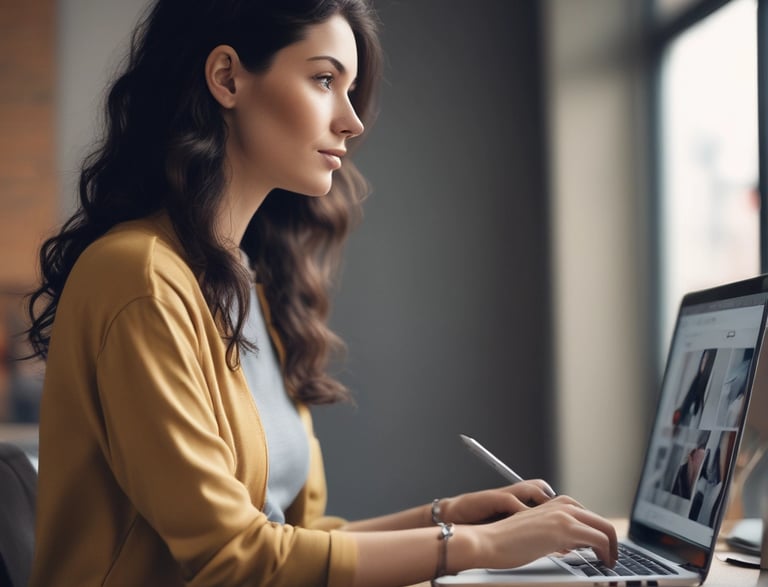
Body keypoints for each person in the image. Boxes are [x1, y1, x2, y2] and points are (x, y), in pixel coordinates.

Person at [24, 1, 617, 585]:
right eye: (325, 79)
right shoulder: (140, 277)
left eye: (350, 88)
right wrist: (475, 546)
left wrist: (446, 517)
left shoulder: (242, 285)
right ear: (227, 77)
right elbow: (236, 559)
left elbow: (296, 541)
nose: (352, 120)